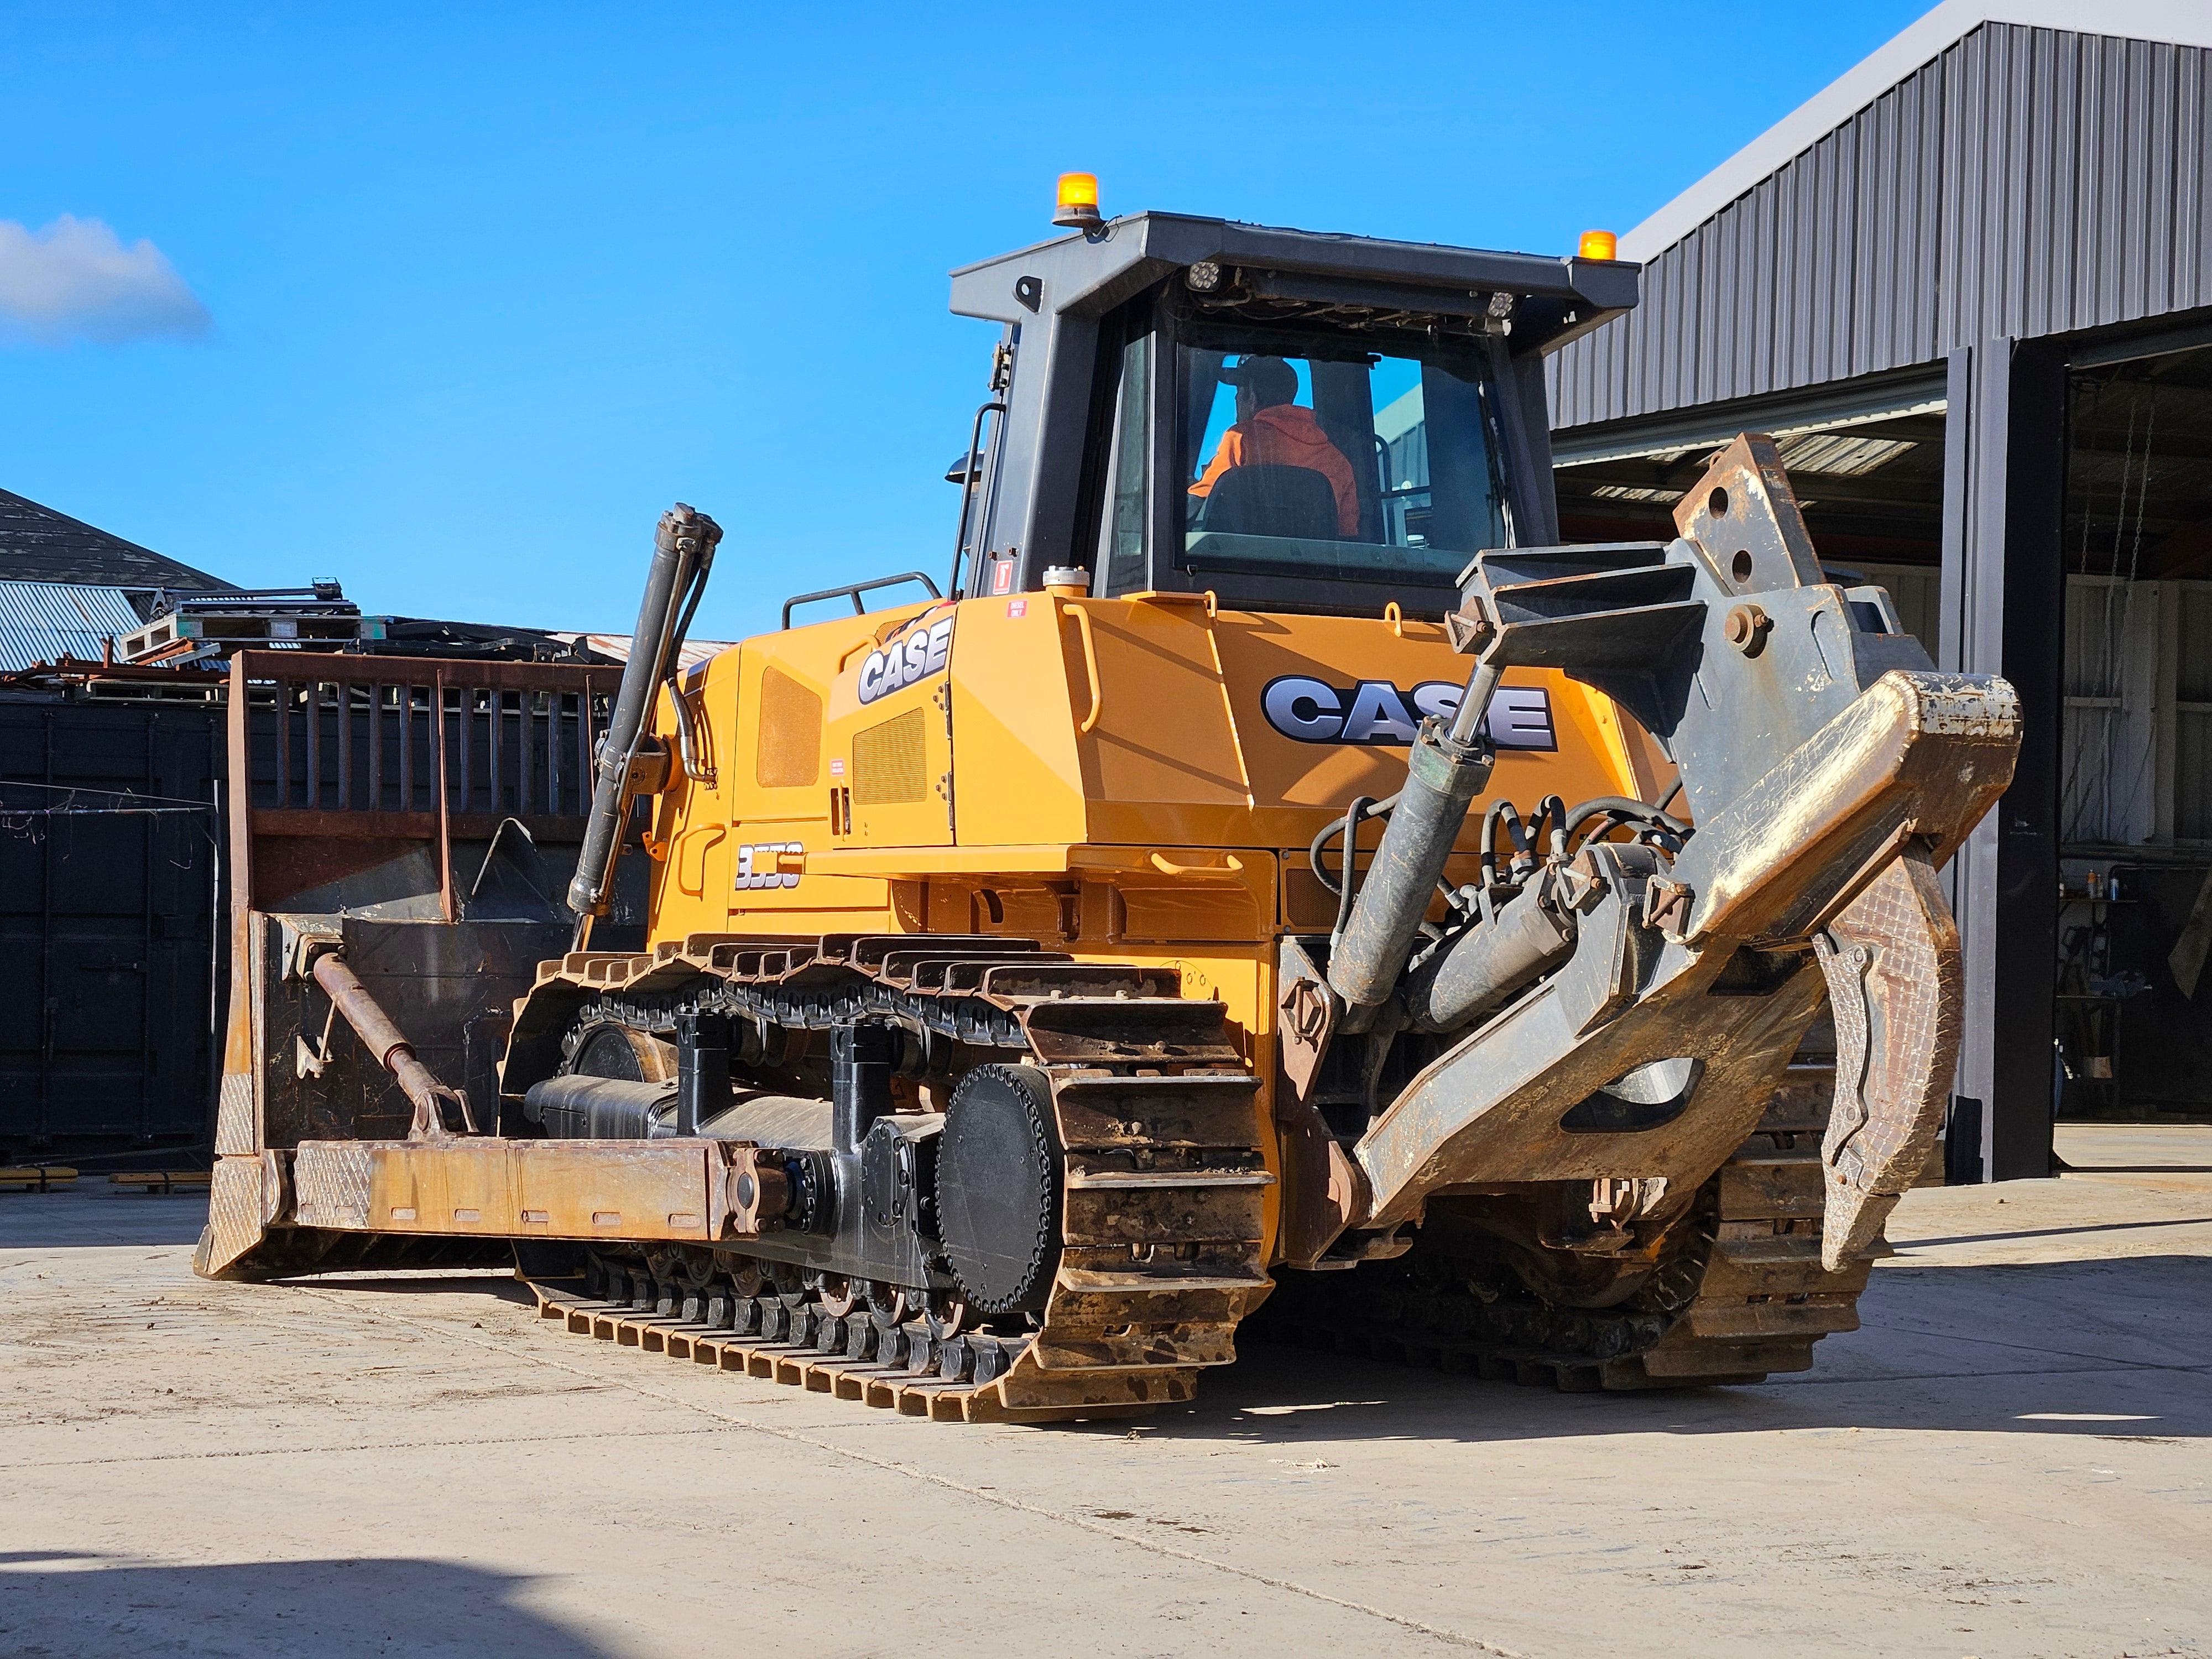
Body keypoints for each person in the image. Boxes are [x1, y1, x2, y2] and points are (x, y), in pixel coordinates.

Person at [1187, 356, 1359, 536]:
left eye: (1239, 391)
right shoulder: (1338, 461)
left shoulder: (1241, 439)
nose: (1236, 398)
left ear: (1252, 398)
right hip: (1315, 556)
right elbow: (1347, 533)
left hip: (1242, 553)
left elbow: (1199, 502)